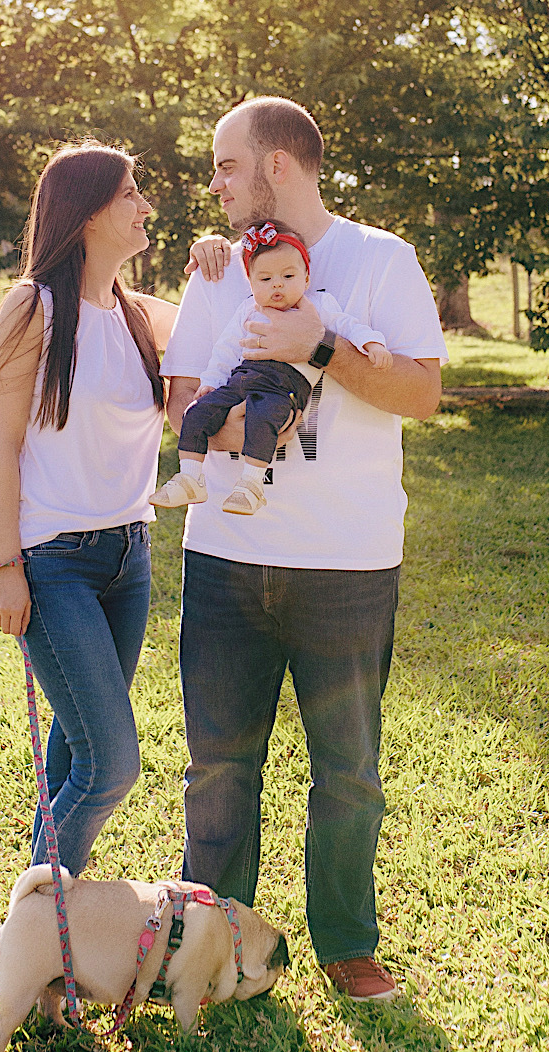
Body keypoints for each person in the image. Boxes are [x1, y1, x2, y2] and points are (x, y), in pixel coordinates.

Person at [162, 96, 447, 1001]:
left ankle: (347, 945)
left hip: (349, 564)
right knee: (218, 766)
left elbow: (422, 394)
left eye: (226, 165)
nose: (216, 184)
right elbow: (181, 401)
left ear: (276, 166)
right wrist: (247, 427)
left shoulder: (381, 260)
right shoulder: (218, 272)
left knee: (348, 770)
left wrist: (319, 344)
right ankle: (213, 942)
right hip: (225, 558)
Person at [0, 141, 176, 875]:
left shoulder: (140, 316)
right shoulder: (33, 308)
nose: (145, 206)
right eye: (130, 194)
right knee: (111, 764)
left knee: (73, 754)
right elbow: (3, 446)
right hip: (54, 562)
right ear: (89, 212)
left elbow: (238, 310)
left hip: (129, 558)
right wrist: (6, 566)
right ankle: (38, 917)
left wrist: (222, 256)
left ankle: (49, 929)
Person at [151, 219, 390, 516]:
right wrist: (210, 382)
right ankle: (190, 477)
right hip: (242, 379)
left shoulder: (318, 304)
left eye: (288, 276)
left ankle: (251, 485)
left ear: (306, 278)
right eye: (265, 279)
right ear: (251, 283)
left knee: (263, 417)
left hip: (285, 386)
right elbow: (226, 349)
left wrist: (372, 343)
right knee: (197, 411)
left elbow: (348, 325)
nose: (277, 284)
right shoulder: (248, 309)